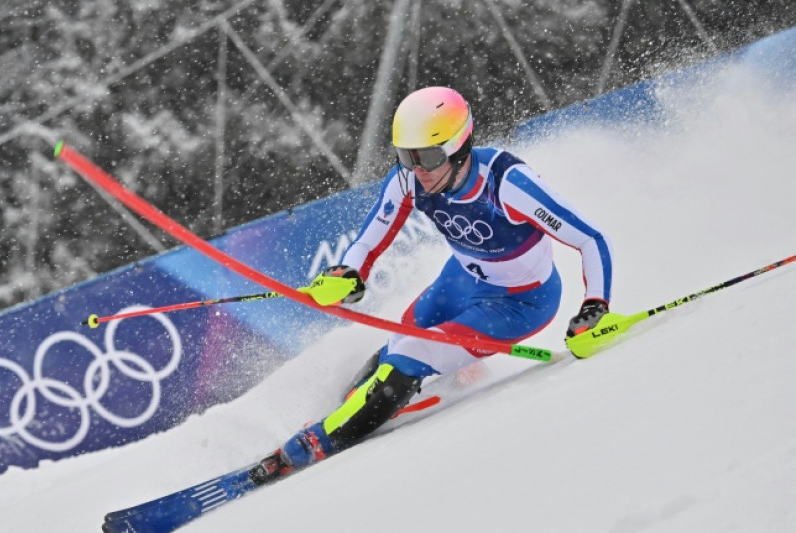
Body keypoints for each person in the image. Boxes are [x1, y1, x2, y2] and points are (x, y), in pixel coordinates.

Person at [249, 86, 613, 484]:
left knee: (408, 357)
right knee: (396, 342)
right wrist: (349, 273)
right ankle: (348, 412)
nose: (417, 169)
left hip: (519, 303)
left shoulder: (507, 184)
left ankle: (313, 444)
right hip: (458, 281)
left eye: (427, 157)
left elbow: (589, 239)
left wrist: (595, 306)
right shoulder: (411, 180)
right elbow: (370, 239)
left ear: (458, 148)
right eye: (407, 156)